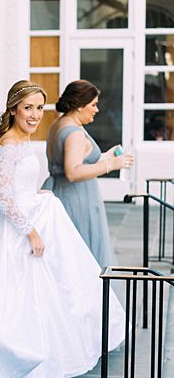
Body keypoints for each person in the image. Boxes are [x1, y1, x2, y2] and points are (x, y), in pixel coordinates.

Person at [0, 80, 125, 378]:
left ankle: (17, 376)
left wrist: (31, 192)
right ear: (13, 108)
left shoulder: (15, 140)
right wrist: (30, 230)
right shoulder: (10, 144)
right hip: (16, 231)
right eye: (27, 107)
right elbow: (1, 196)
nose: (33, 114)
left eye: (38, 108)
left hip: (27, 213)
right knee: (16, 303)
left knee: (31, 301)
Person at [44, 80, 134, 266]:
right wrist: (111, 164)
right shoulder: (74, 133)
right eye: (93, 105)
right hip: (77, 199)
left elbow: (78, 160)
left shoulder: (58, 124)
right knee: (82, 256)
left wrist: (106, 155)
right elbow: (73, 172)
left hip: (61, 193)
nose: (97, 110)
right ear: (79, 106)